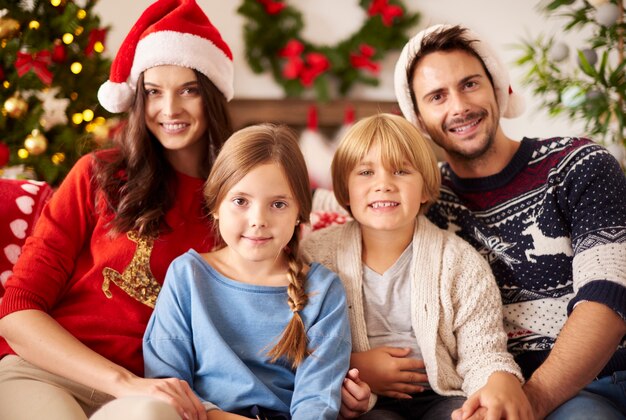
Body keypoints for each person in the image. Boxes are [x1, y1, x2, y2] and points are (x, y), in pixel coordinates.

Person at [0, 0, 234, 419]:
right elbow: (17, 311)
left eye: (189, 90)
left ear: (212, 95)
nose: (170, 109)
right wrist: (123, 381)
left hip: (148, 399)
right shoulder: (98, 174)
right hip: (44, 370)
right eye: (154, 92)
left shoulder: (240, 199)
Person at [392, 24, 626, 419]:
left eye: (469, 84)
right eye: (437, 96)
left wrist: (529, 401)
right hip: (478, 390)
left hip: (591, 383)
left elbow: (607, 299)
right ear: (417, 117)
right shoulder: (420, 198)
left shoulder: (578, 165)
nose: (459, 106)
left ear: (497, 88)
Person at [302, 113, 532, 420]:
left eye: (400, 171)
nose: (383, 184)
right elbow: (298, 339)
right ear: (344, 191)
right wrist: (352, 364)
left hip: (441, 396)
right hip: (366, 403)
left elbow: (482, 352)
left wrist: (496, 381)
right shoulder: (316, 255)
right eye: (366, 172)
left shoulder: (459, 262)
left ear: (425, 188)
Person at [142, 124, 352, 419]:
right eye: (241, 201)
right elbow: (166, 386)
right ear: (215, 205)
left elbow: (317, 401)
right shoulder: (187, 276)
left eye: (278, 204)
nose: (258, 220)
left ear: (298, 214)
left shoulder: (322, 290)